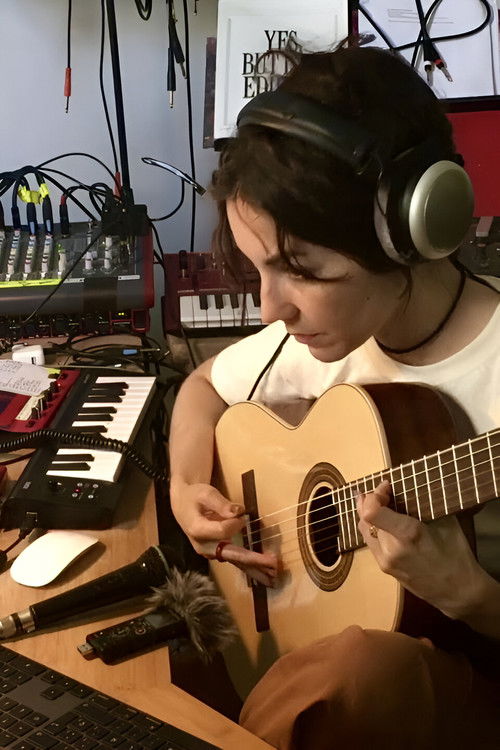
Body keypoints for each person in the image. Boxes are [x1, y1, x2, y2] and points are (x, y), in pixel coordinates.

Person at [168, 41, 500, 749]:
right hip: (310, 639)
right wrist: (186, 482)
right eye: (258, 269)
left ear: (411, 237)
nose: (270, 309)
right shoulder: (326, 338)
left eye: (302, 270)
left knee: (359, 674)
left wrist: (474, 598)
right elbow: (200, 388)